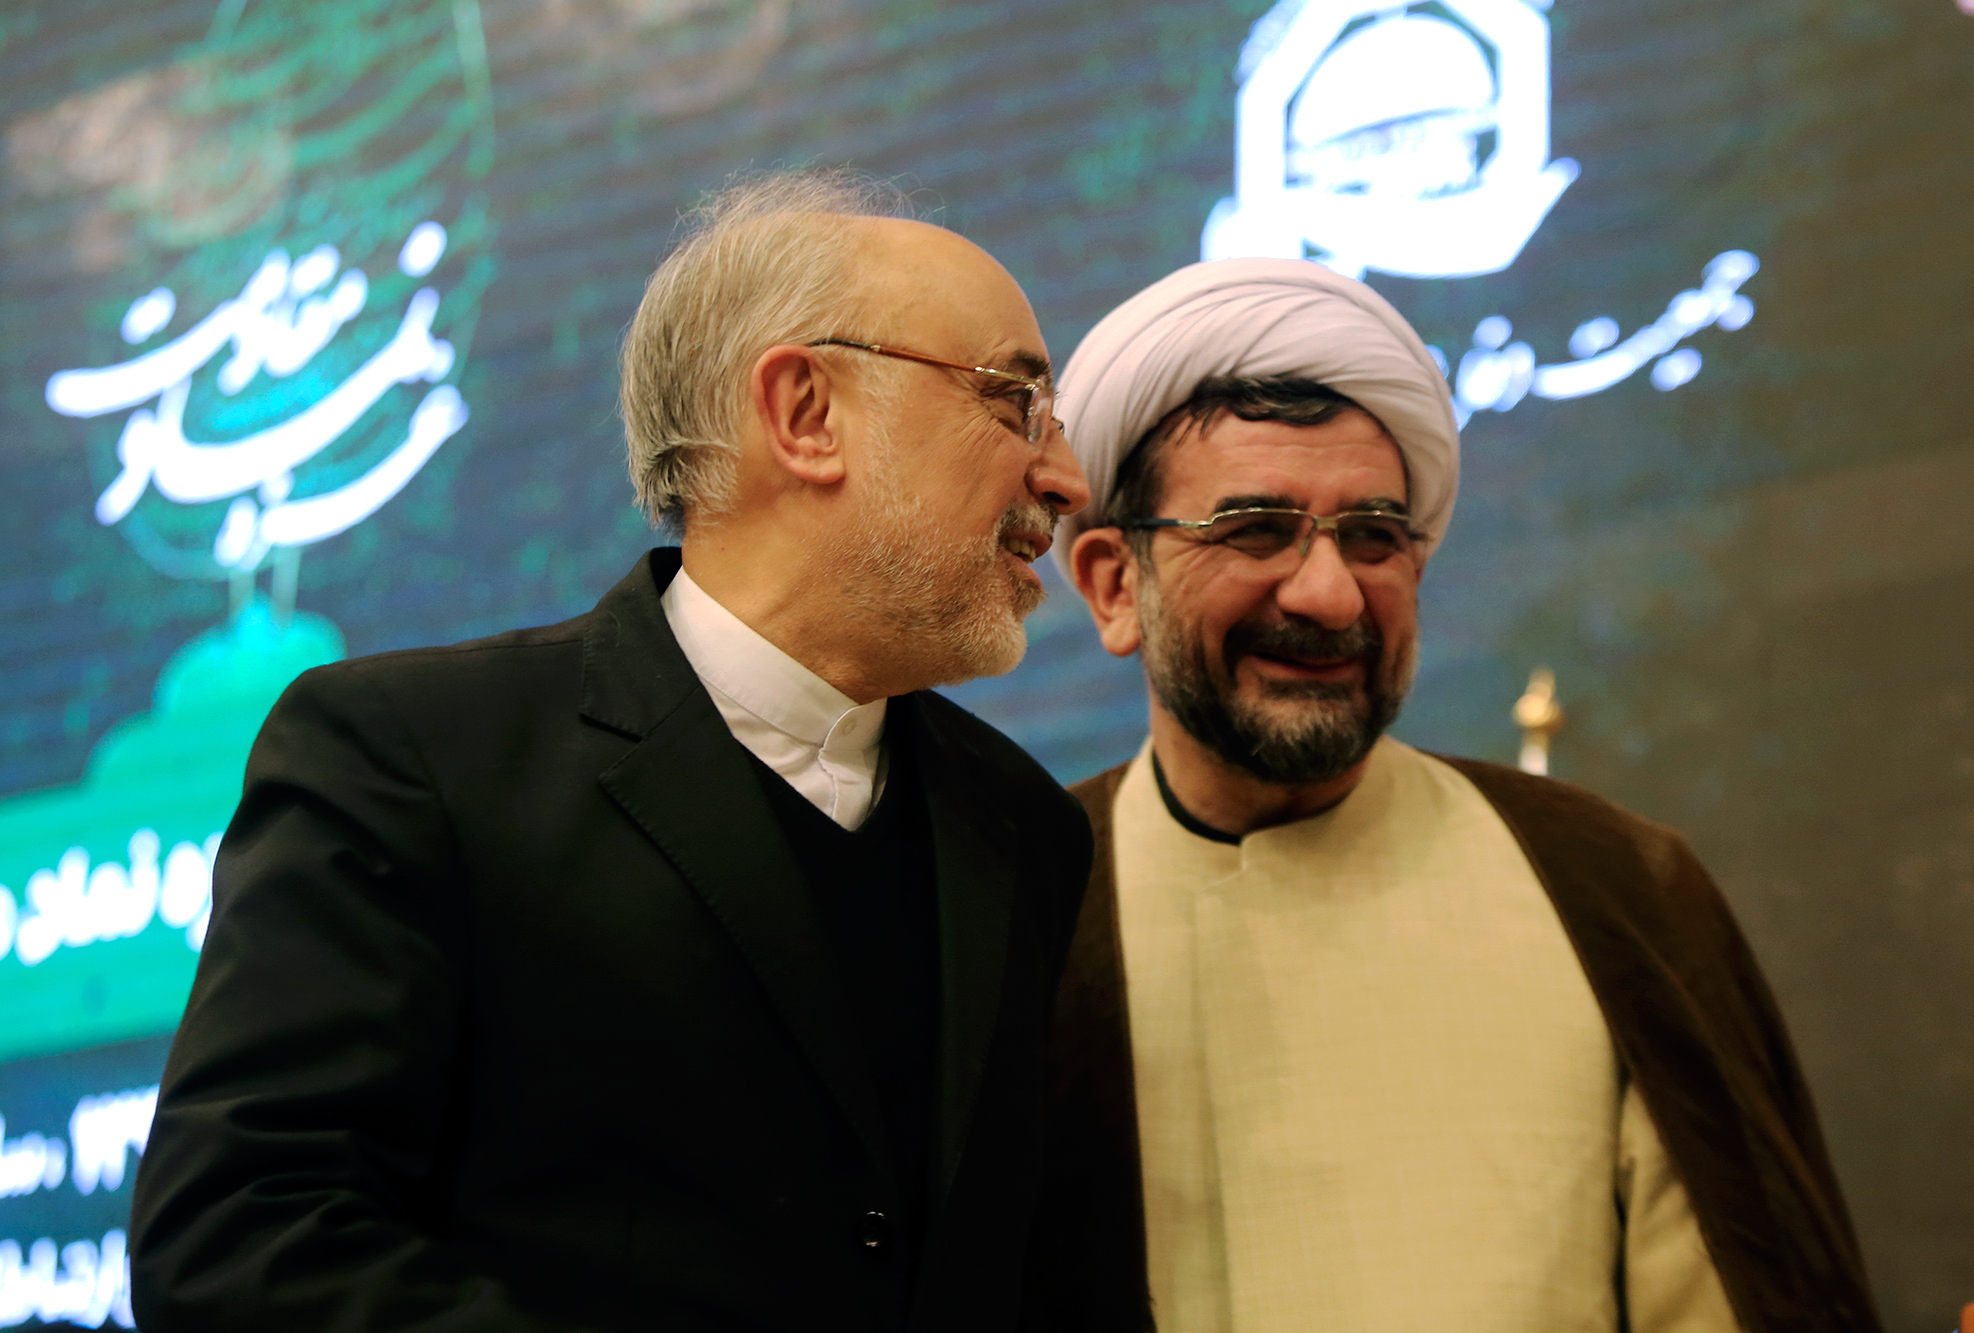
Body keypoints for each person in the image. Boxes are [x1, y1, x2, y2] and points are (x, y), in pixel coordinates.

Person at [128, 171, 1095, 1333]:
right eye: (1014, 402)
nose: (1066, 477)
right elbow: (241, 1239)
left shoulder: (1024, 828)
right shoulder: (414, 759)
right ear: (805, 413)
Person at [1030, 259, 1880, 1333]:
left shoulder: (1609, 884)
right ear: (1113, 583)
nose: (1330, 594)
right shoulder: (1020, 904)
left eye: (1373, 537)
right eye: (1255, 530)